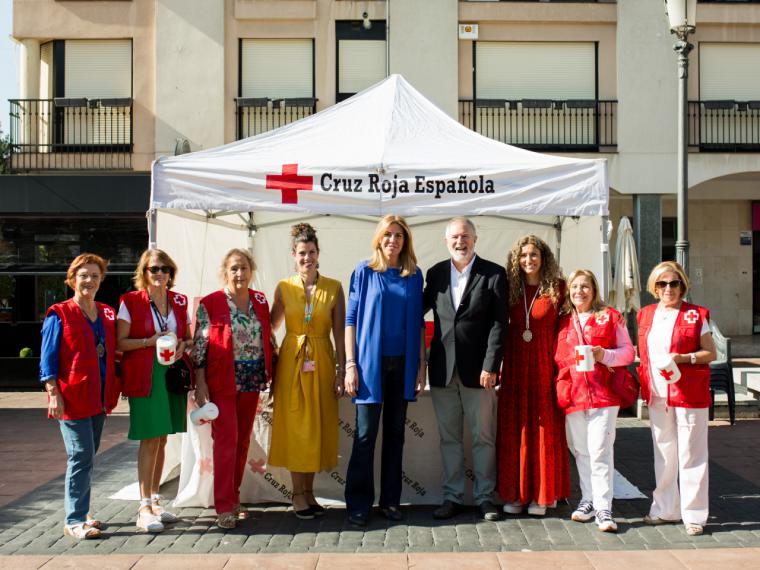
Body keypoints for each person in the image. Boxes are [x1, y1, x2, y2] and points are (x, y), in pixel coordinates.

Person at [343, 214, 426, 527]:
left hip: (402, 365)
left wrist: (421, 367)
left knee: (395, 435)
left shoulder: (414, 275)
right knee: (365, 436)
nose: (393, 240)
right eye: (388, 235)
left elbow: (418, 324)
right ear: (379, 238)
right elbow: (350, 322)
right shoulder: (364, 271)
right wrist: (351, 365)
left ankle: (390, 501)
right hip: (369, 367)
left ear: (406, 241)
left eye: (399, 236)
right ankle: (358, 503)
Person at [424, 217, 507, 521]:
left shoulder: (494, 274)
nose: (460, 242)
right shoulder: (434, 275)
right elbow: (415, 310)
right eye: (455, 237)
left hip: (479, 372)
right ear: (446, 241)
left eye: (466, 236)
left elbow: (499, 324)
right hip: (443, 370)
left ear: (475, 239)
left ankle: (485, 497)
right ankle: (452, 496)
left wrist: (491, 365)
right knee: (449, 439)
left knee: (483, 437)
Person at [40, 253, 120, 540]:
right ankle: (74, 520)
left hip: (98, 396)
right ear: (72, 279)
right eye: (84, 275)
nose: (89, 280)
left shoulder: (107, 313)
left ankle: (84, 512)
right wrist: (53, 394)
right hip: (72, 397)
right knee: (80, 455)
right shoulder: (58, 313)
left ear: (101, 280)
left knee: (88, 455)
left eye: (95, 275)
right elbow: (47, 359)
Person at [269, 223, 346, 519]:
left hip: (323, 361)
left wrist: (341, 370)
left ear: (318, 253)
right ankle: (296, 493)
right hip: (292, 362)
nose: (307, 258)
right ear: (293, 255)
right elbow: (271, 326)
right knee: (296, 427)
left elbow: (340, 332)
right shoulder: (284, 287)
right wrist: (273, 356)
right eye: (302, 253)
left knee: (317, 427)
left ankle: (310, 492)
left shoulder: (334, 287)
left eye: (311, 252)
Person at [191, 248, 273, 529]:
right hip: (222, 380)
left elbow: (268, 335)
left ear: (252, 271)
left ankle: (234, 498)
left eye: (244, 268)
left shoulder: (260, 300)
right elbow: (200, 346)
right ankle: (224, 506)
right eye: (234, 268)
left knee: (242, 443)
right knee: (226, 442)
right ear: (225, 272)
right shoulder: (211, 303)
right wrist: (200, 382)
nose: (240, 274)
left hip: (251, 380)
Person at [637, 261, 716, 536]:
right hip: (658, 394)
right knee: (664, 453)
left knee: (692, 454)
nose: (668, 288)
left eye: (673, 283)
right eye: (662, 283)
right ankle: (666, 509)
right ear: (654, 288)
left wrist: (683, 358)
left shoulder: (695, 315)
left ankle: (694, 515)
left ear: (682, 285)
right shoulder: (645, 315)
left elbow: (711, 352)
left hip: (689, 393)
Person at [554, 269, 635, 532]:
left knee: (600, 449)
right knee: (581, 450)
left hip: (604, 395)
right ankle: (587, 500)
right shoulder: (563, 320)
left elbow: (628, 352)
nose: (580, 291)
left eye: (585, 286)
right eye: (575, 286)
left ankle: (603, 507)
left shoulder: (610, 317)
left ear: (594, 289)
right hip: (573, 394)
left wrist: (605, 356)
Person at [117, 249, 191, 533]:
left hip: (171, 375)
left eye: (164, 269)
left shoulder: (179, 301)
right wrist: (148, 342)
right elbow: (120, 343)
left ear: (171, 273)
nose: (159, 274)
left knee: (162, 440)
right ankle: (143, 506)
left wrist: (183, 344)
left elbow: (185, 336)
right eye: (153, 269)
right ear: (144, 273)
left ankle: (157, 501)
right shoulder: (130, 301)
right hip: (145, 376)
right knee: (149, 440)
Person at [497, 234, 569, 516]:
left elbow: (571, 327)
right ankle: (516, 494)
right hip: (515, 366)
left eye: (534, 255)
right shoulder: (509, 288)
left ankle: (543, 494)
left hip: (544, 366)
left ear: (544, 258)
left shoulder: (559, 290)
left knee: (544, 428)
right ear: (517, 260)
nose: (529, 260)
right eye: (524, 255)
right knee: (516, 427)